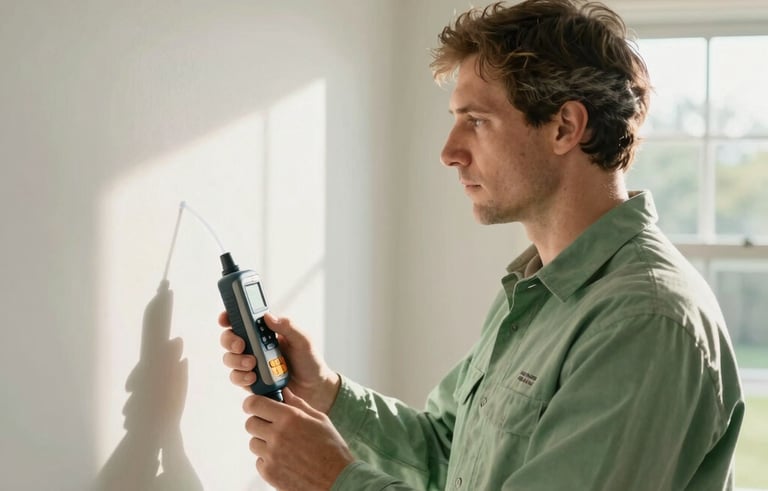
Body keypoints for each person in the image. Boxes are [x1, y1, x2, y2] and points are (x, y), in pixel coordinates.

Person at [218, 1, 745, 489]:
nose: (449, 152)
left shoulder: (645, 323)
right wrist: (328, 392)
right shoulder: (534, 292)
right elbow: (450, 453)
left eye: (476, 121)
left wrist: (335, 479)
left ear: (564, 127)